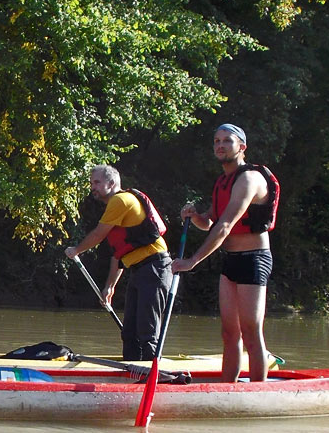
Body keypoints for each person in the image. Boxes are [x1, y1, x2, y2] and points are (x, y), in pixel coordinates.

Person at [171, 124, 280, 382]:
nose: (220, 145)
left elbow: (226, 226)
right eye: (216, 141)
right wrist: (194, 216)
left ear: (241, 147)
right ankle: (227, 388)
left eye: (227, 141)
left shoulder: (249, 179)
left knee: (251, 331)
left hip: (254, 259)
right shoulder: (223, 181)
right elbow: (210, 222)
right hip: (230, 261)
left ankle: (258, 392)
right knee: (229, 333)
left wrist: (192, 261)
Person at [65, 165, 172, 361]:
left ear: (112, 183)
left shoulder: (120, 200)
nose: (93, 187)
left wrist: (76, 250)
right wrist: (109, 287)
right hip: (140, 270)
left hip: (155, 267)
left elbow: (98, 234)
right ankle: (132, 377)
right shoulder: (115, 208)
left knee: (147, 333)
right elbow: (118, 254)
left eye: (97, 182)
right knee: (129, 334)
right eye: (91, 183)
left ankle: (154, 378)